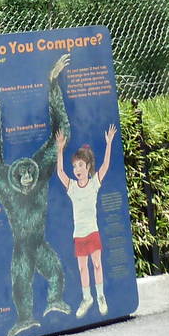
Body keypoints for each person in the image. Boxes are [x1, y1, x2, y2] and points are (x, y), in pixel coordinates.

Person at [0, 52, 73, 336]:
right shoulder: (9, 188)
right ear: (18, 180)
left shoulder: (41, 173)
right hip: (22, 247)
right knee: (21, 283)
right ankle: (24, 319)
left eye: (31, 175)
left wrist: (53, 83)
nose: (30, 179)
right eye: (26, 177)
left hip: (39, 243)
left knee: (56, 271)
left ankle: (55, 302)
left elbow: (62, 132)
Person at [55, 122, 116, 317]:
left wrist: (109, 143)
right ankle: (87, 297)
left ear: (88, 166)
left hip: (93, 231)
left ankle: (100, 296)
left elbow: (106, 165)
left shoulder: (94, 183)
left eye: (80, 165)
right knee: (82, 268)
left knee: (97, 264)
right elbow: (59, 172)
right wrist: (60, 149)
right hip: (79, 234)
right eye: (74, 166)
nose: (76, 169)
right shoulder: (72, 187)